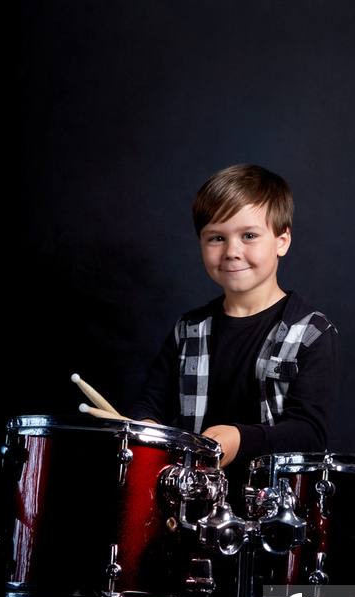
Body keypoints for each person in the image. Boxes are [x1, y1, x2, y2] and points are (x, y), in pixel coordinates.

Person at [127, 164, 340, 500]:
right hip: (190, 504)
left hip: (270, 511)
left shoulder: (311, 332)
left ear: (282, 240)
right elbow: (149, 403)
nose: (231, 252)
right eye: (216, 238)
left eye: (249, 235)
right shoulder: (189, 329)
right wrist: (146, 428)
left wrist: (240, 440)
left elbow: (309, 434)